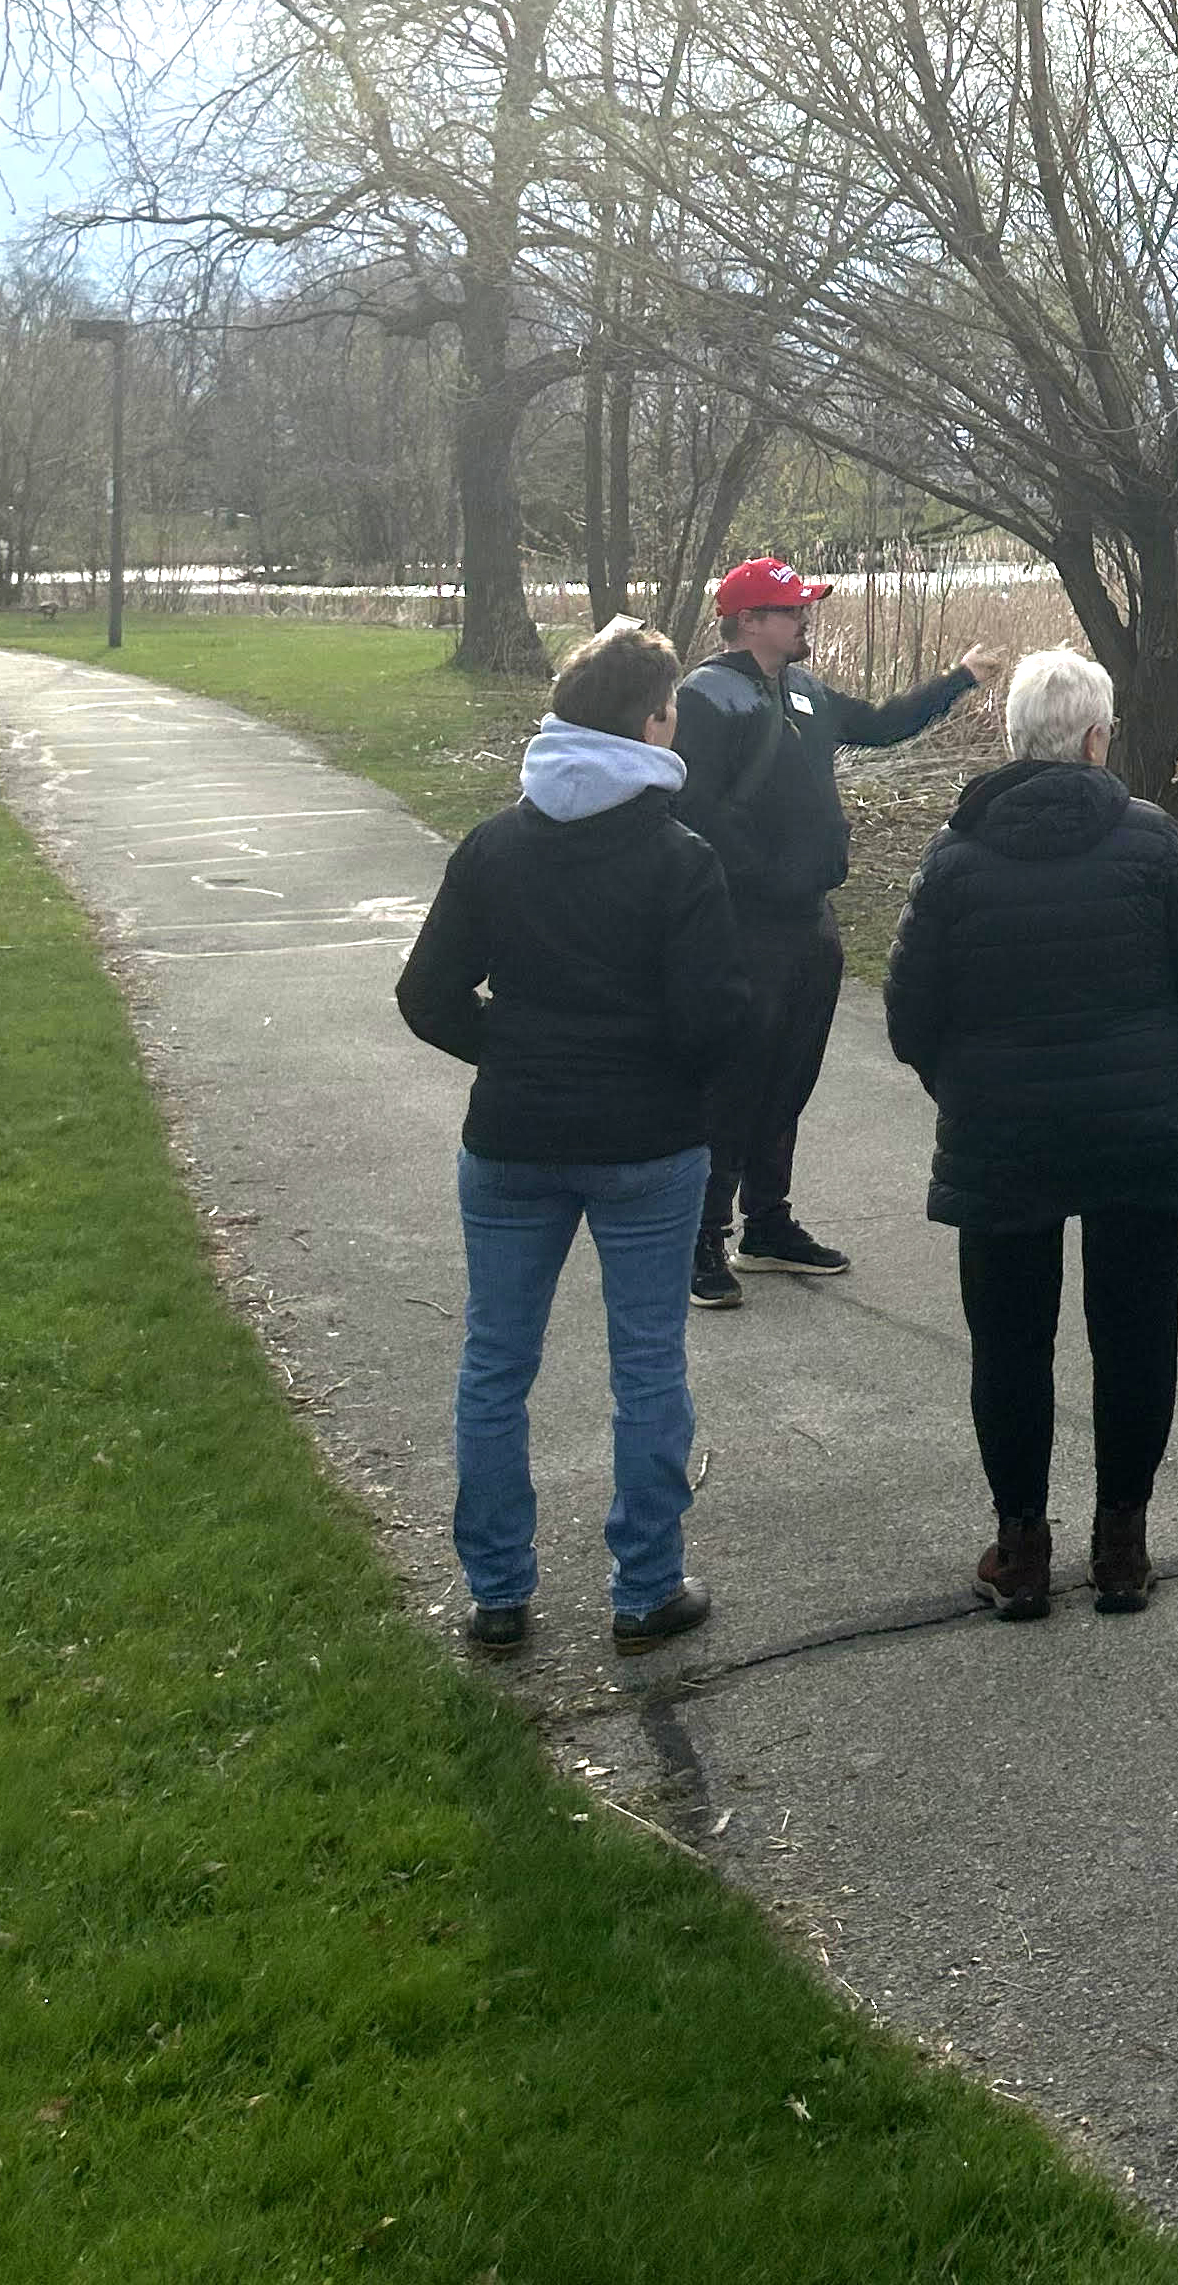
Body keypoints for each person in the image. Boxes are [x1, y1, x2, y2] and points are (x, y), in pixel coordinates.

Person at [396, 618, 749, 1653]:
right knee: (647, 1364)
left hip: (511, 1134)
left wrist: (511, 1047)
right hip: (648, 1142)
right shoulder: (680, 856)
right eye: (671, 705)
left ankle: (498, 1593)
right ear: (650, 720)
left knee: (495, 1363)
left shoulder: (496, 843)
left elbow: (426, 993)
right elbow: (711, 1020)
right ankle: (645, 1589)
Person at [884, 649, 1178, 1622]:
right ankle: (1122, 1546)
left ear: (1014, 740)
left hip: (1003, 1135)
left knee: (1009, 1343)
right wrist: (1168, 1082)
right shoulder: (1153, 843)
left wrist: (963, 1087)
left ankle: (1023, 1547)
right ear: (1095, 740)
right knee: (1136, 1338)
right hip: (1140, 1133)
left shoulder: (956, 859)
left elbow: (910, 1012)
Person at [674, 556, 1003, 1309]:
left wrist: (958, 679)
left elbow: (884, 726)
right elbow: (700, 812)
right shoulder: (706, 696)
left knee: (791, 1072)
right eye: (792, 611)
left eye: (805, 609)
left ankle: (768, 1223)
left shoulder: (805, 689)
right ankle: (701, 1234)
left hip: (809, 918)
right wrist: (769, 874)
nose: (805, 621)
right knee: (736, 1078)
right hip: (744, 920)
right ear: (749, 621)